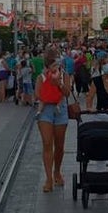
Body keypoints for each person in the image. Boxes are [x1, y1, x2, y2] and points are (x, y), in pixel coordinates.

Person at [35, 49, 72, 192]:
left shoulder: (64, 76)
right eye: (52, 64)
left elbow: (67, 93)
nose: (54, 67)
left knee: (60, 144)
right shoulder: (41, 77)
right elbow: (37, 94)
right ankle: (49, 178)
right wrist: (47, 90)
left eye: (56, 64)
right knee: (47, 143)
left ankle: (57, 171)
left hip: (60, 110)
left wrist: (58, 84)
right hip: (46, 111)